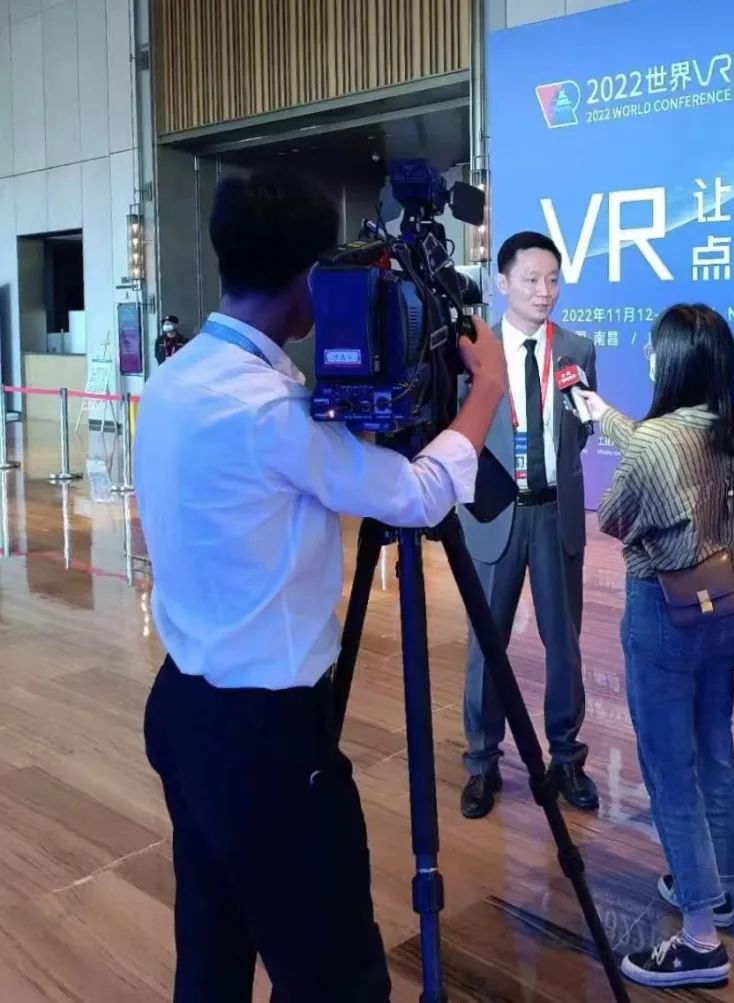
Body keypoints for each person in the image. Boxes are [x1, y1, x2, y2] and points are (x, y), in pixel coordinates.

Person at [134, 168, 507, 1002]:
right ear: (311, 282)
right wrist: (484, 390)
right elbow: (417, 494)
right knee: (335, 975)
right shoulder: (269, 410)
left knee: (212, 952)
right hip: (264, 738)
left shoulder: (174, 379)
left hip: (184, 710)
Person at [580, 304, 734, 989]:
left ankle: (700, 936)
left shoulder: (657, 441)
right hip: (724, 605)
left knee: (668, 768)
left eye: (656, 350)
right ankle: (719, 885)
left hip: (664, 610)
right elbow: (669, 462)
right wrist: (606, 417)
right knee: (714, 749)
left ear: (676, 360)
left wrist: (620, 434)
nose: (650, 359)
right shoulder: (733, 428)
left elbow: (615, 514)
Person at [457, 231, 599, 819]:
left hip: (554, 512)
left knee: (563, 642)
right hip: (495, 513)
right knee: (486, 643)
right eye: (532, 280)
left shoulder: (577, 348)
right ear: (502, 282)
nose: (545, 291)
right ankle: (481, 762)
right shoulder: (472, 349)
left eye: (553, 279)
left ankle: (566, 757)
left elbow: (581, 427)